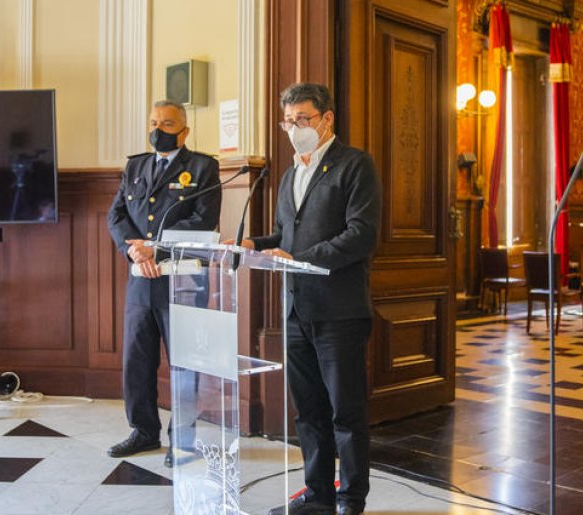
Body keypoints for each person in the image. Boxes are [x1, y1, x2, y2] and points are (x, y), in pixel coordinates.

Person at [238, 83, 381, 515]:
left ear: (327, 118)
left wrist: (295, 257)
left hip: (339, 311)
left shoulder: (354, 165)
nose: (295, 128)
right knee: (309, 412)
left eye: (303, 119)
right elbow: (285, 237)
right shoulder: (289, 173)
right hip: (297, 310)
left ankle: (351, 498)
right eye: (289, 121)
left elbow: (360, 235)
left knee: (345, 413)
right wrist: (253, 244)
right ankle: (317, 493)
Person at [106, 100, 221, 467]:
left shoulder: (204, 167)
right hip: (141, 278)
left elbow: (205, 221)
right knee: (136, 360)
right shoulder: (136, 165)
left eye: (167, 123)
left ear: (184, 131)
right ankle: (142, 431)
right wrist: (135, 251)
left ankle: (182, 441)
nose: (159, 129)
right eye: (154, 122)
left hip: (183, 279)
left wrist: (156, 247)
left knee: (185, 364)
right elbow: (116, 215)